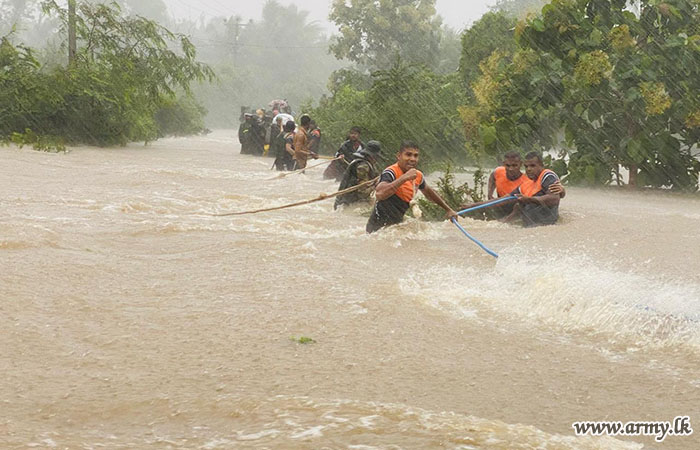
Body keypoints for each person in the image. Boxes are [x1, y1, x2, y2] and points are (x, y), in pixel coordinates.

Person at [366, 141, 458, 233]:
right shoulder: (391, 172)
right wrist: (404, 178)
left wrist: (448, 210)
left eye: (416, 156)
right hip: (376, 229)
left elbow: (429, 193)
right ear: (399, 156)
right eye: (408, 155)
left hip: (394, 228)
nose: (413, 159)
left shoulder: (417, 175)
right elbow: (380, 194)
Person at [505, 151, 563, 227]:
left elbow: (554, 199)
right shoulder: (526, 183)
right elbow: (506, 198)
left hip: (544, 226)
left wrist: (529, 199)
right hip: (528, 226)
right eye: (526, 166)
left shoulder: (548, 176)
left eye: (532, 166)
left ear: (541, 165)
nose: (528, 169)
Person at [334, 140, 383, 210]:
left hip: (345, 200)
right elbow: (362, 192)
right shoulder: (363, 167)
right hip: (349, 203)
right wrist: (375, 186)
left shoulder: (362, 162)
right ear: (372, 156)